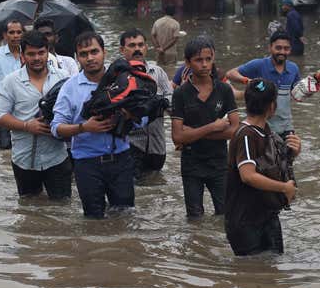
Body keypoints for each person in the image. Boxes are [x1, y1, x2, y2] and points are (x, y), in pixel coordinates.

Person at [51, 32, 146, 219]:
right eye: (84, 54)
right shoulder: (70, 87)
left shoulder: (123, 81)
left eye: (94, 51)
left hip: (121, 159)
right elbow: (56, 128)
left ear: (104, 52)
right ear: (77, 58)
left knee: (125, 217)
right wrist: (84, 128)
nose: (90, 58)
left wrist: (127, 115)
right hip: (86, 163)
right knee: (93, 221)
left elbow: (143, 120)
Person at [225, 79, 301, 255]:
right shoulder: (246, 134)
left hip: (266, 215)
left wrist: (294, 154)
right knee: (254, 272)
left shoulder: (267, 132)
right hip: (245, 221)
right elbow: (248, 176)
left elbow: (273, 167)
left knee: (271, 271)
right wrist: (284, 188)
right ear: (272, 107)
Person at [0, 30, 71, 200]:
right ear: (22, 56)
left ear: (48, 52)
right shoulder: (10, 82)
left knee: (62, 210)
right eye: (31, 54)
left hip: (57, 158)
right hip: (24, 160)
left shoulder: (64, 78)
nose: (36, 58)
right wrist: (26, 126)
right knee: (29, 210)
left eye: (41, 53)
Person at [171, 36, 240, 218]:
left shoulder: (223, 90)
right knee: (194, 218)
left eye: (208, 59)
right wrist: (213, 127)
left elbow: (235, 130)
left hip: (219, 163)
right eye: (198, 60)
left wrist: (192, 133)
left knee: (226, 215)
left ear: (213, 59)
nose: (204, 64)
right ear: (187, 62)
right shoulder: (181, 94)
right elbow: (177, 138)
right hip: (191, 164)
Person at [118, 28, 172, 179]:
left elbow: (172, 104)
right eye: (132, 45)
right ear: (122, 50)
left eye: (141, 45)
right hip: (131, 146)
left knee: (155, 191)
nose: (137, 49)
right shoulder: (118, 75)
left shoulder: (157, 72)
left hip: (157, 147)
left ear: (146, 48)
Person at [225, 31, 301, 137]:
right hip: (262, 127)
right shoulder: (258, 65)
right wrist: (248, 81)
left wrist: (309, 91)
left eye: (286, 48)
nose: (282, 52)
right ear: (270, 48)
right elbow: (230, 74)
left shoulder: (294, 68)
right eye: (278, 48)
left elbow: (297, 94)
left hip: (286, 127)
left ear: (290, 49)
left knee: (290, 151)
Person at [0, 20, 25, 149]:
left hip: (25, 105)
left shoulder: (29, 54)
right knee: (4, 147)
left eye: (19, 32)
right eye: (11, 32)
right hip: (3, 106)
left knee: (24, 144)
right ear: (5, 35)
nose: (15, 36)